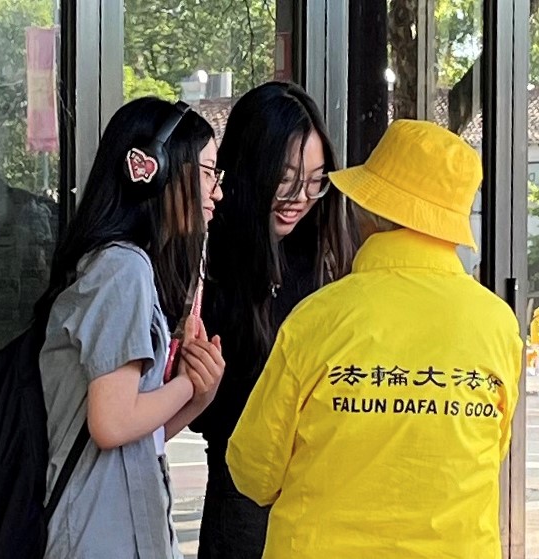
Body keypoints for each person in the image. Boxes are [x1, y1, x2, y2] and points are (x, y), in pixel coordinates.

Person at [226, 120, 523, 558]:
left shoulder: (319, 318)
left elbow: (253, 471)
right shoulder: (498, 326)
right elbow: (491, 450)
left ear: (373, 213)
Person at [35, 97, 226, 558]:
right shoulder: (123, 269)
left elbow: (137, 441)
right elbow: (112, 423)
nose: (216, 192)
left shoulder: (116, 266)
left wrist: (198, 396)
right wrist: (186, 385)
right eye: (207, 173)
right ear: (158, 170)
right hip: (100, 539)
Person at [190, 82, 359, 558]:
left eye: (316, 181)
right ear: (248, 169)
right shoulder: (207, 259)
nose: (300, 197)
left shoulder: (324, 256)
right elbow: (207, 413)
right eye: (285, 179)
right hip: (243, 499)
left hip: (323, 496)